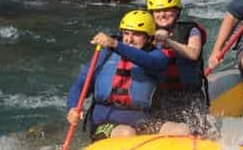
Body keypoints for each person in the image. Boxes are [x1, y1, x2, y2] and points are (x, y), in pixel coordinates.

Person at [66, 10, 169, 141]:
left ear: (148, 38)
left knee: (180, 130)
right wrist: (73, 107)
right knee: (127, 133)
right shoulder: (105, 55)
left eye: (136, 34)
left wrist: (115, 44)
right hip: (105, 124)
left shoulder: (157, 57)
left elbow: (149, 61)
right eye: (126, 33)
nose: (129, 39)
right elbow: (80, 85)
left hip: (143, 123)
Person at [146, 0, 211, 136]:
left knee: (197, 132)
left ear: (177, 11)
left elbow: (193, 53)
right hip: (161, 97)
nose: (162, 14)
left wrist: (167, 41)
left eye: (168, 10)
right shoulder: (146, 34)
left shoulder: (191, 30)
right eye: (157, 11)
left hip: (190, 96)